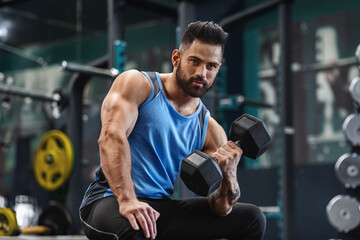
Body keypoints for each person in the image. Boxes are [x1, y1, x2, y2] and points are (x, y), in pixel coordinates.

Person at [79, 21, 266, 240]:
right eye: (195, 61)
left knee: (252, 219)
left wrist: (229, 175)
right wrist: (128, 199)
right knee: (136, 228)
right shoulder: (139, 85)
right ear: (176, 58)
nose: (202, 73)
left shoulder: (210, 130)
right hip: (110, 199)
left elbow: (220, 209)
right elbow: (111, 137)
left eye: (211, 66)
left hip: (160, 209)